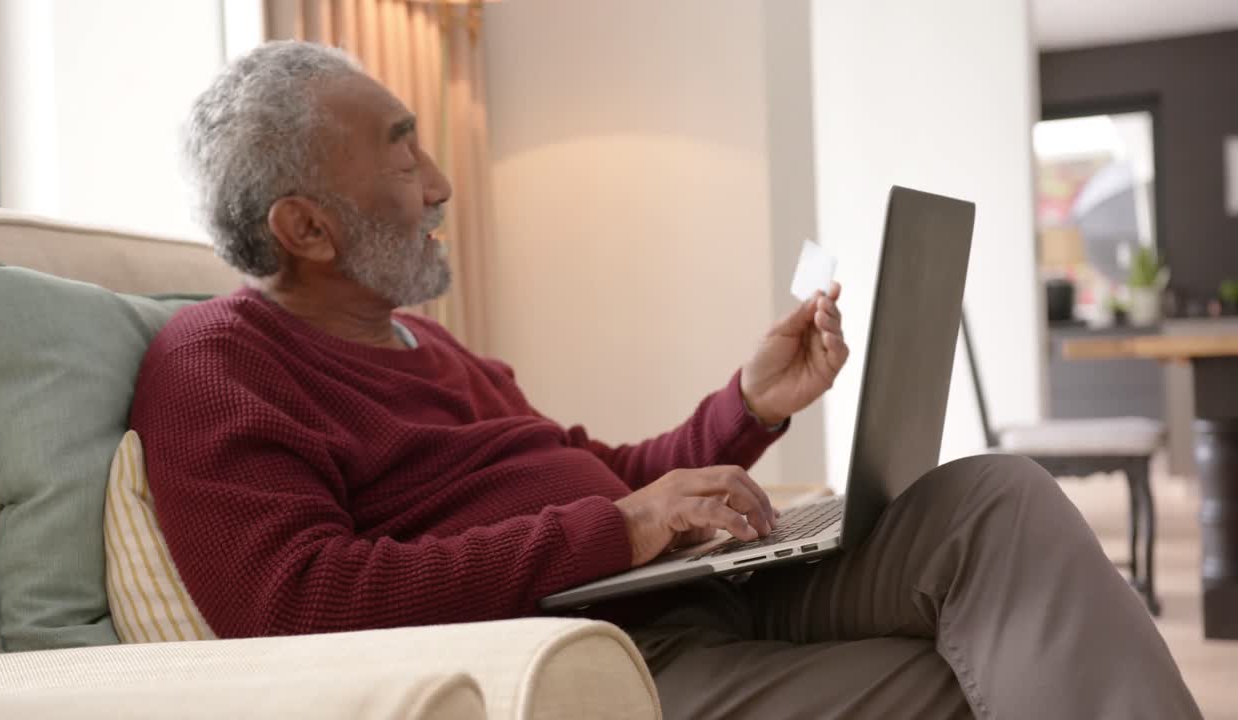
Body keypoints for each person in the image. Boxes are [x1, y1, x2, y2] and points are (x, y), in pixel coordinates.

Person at [131, 41, 1201, 719]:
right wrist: (621, 534)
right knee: (981, 679)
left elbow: (606, 474)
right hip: (593, 642)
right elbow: (297, 602)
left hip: (685, 581)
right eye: (404, 157)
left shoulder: (429, 347)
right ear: (305, 226)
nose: (442, 183)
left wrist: (747, 407)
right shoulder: (219, 368)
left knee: (992, 498)